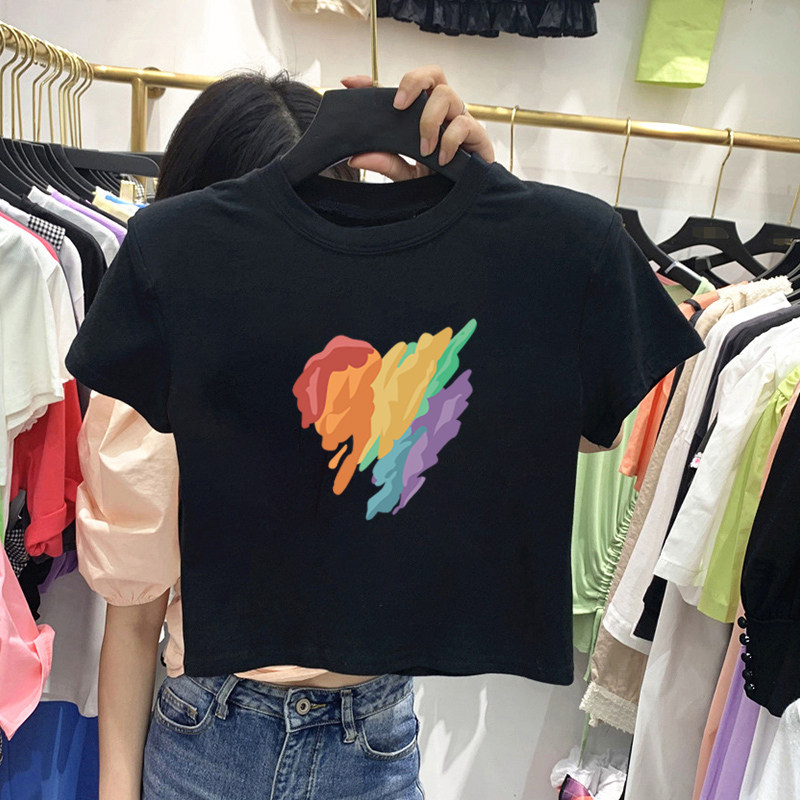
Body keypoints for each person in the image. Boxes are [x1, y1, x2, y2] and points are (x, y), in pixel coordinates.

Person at [76, 64, 621, 800]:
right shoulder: (169, 339)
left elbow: (578, 429)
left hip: (373, 737)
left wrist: (491, 218)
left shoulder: (389, 342)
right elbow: (134, 623)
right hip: (212, 733)